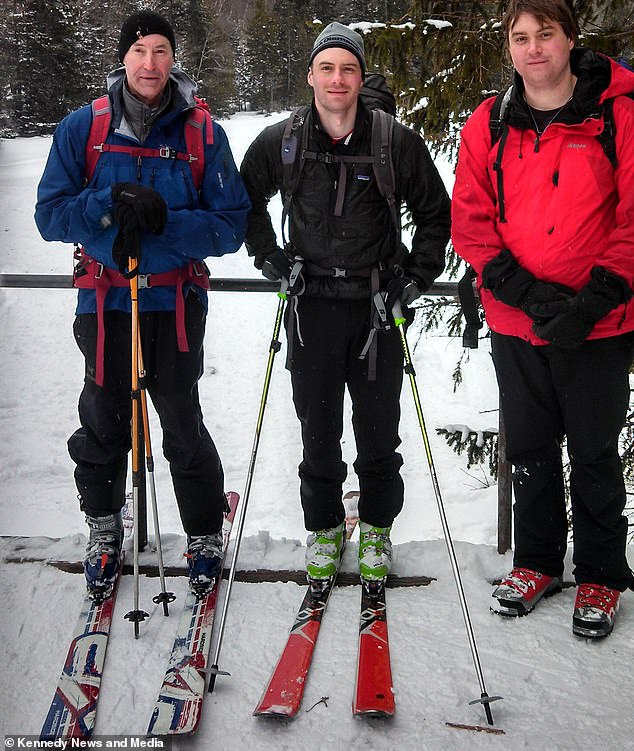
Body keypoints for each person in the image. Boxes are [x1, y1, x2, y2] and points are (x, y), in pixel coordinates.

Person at [35, 10, 251, 601]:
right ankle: (104, 525)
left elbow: (231, 225)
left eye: (161, 51)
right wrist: (109, 204)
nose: (150, 64)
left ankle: (204, 532)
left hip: (174, 303)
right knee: (104, 419)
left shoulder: (202, 133)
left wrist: (164, 222)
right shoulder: (85, 128)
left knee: (181, 423)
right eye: (139, 51)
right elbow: (50, 214)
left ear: (172, 58)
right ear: (122, 58)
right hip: (104, 304)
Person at [240, 22, 450, 588]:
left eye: (348, 69)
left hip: (378, 307)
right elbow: (244, 200)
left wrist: (416, 277)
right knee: (318, 426)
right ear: (310, 75)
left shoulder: (394, 141)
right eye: (327, 68)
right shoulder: (283, 141)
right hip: (310, 307)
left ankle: (378, 526)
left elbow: (436, 214)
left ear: (360, 77)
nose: (338, 79)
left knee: (380, 428)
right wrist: (269, 256)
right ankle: (326, 527)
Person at [452, 0, 634, 637]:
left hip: (600, 324)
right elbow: (471, 219)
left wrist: (592, 301)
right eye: (520, 37)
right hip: (517, 320)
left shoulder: (617, 112)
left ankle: (602, 574)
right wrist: (523, 293)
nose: (533, 49)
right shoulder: (490, 122)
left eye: (545, 35)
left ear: (569, 39)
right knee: (529, 448)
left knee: (592, 452)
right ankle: (536, 563)